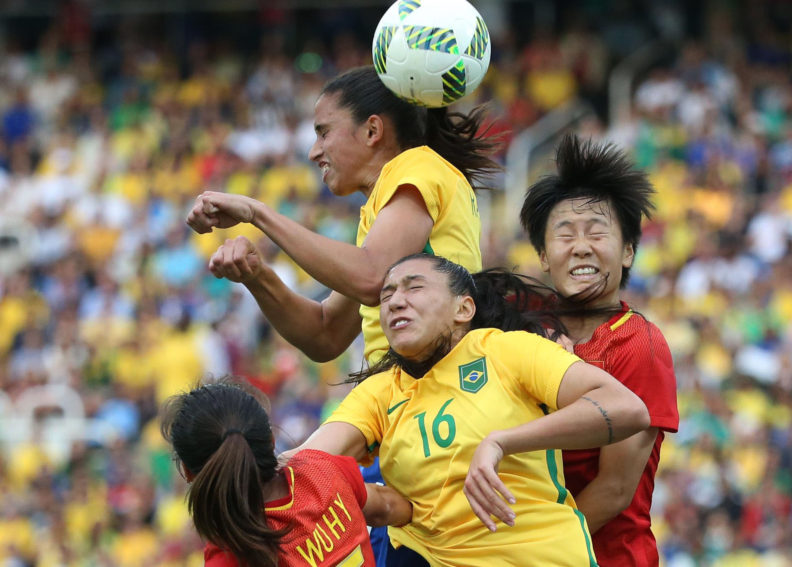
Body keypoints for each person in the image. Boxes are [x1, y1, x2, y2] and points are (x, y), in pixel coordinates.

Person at [289, 254, 651, 566]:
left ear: (463, 309)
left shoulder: (506, 351)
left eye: (414, 288)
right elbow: (304, 465)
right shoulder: (379, 393)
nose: (396, 302)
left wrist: (502, 442)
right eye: (387, 295)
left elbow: (626, 408)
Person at [185, 65, 498, 366]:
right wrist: (257, 276)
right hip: (400, 393)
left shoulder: (418, 168)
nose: (314, 151)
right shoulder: (385, 206)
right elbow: (325, 334)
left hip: (437, 391)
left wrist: (258, 213)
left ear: (372, 130)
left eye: (324, 132)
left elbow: (372, 277)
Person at [519, 133, 680, 566]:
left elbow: (613, 490)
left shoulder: (639, 344)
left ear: (627, 252)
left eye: (597, 233)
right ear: (542, 255)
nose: (581, 246)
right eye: (564, 234)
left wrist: (528, 556)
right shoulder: (519, 329)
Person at [160, 378, 412, 567]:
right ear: (271, 439)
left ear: (188, 473)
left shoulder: (230, 552)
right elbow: (390, 507)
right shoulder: (322, 470)